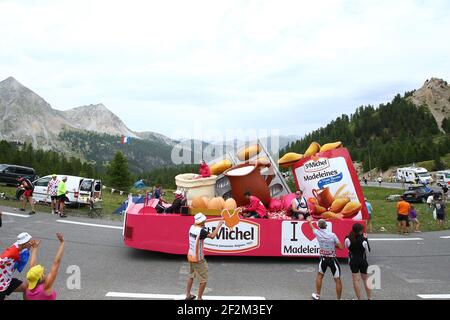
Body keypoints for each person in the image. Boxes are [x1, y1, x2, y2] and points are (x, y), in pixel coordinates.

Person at [186, 213, 224, 300]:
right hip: (198, 259)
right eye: (204, 221)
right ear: (201, 221)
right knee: (203, 279)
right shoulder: (201, 231)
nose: (205, 221)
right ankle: (199, 298)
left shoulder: (192, 227)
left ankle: (188, 295)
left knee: (191, 276)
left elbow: (202, 231)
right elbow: (212, 236)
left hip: (190, 255)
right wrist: (219, 225)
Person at [307, 217, 344, 301]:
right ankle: (339, 299)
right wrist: (333, 244)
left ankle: (317, 295)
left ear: (319, 227)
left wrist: (309, 221)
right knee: (337, 280)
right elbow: (341, 247)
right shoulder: (332, 235)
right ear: (326, 225)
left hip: (323, 259)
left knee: (319, 276)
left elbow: (312, 227)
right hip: (332, 259)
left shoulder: (317, 233)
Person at [25, 233, 65, 300]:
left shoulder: (30, 282)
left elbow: (32, 267)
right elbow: (56, 263)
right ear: (40, 277)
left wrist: (35, 248)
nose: (45, 272)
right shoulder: (46, 286)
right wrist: (62, 243)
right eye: (43, 273)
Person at [0, 233, 33, 300]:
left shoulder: (20, 247)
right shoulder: (10, 253)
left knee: (26, 287)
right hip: (1, 285)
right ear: (24, 243)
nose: (31, 242)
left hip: (7, 281)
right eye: (30, 241)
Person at [345, 223, 372, 300]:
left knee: (356, 280)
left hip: (353, 260)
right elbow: (368, 251)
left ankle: (359, 298)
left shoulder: (347, 238)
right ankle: (369, 298)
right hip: (362, 261)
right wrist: (366, 239)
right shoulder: (363, 240)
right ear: (360, 231)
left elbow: (347, 247)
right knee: (366, 279)